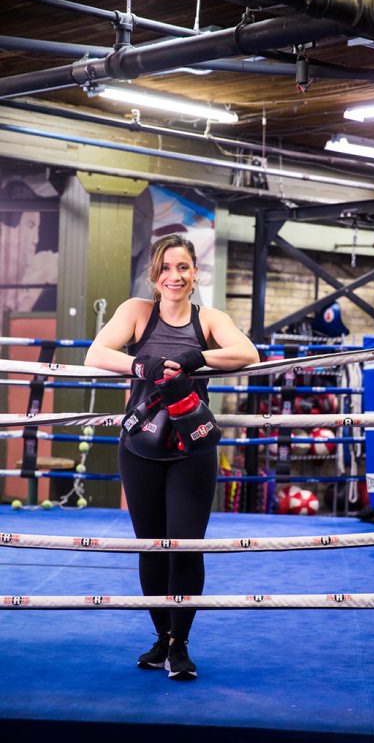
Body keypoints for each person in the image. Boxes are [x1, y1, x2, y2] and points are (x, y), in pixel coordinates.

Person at [84, 233, 259, 680]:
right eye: (165, 268)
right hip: (140, 448)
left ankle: (181, 643)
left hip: (191, 450)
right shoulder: (136, 313)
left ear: (195, 273)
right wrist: (138, 364)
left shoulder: (210, 319)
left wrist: (198, 356)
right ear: (155, 275)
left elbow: (248, 353)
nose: (174, 276)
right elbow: (96, 353)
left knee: (184, 546)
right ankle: (162, 637)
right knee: (151, 547)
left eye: (182, 268)